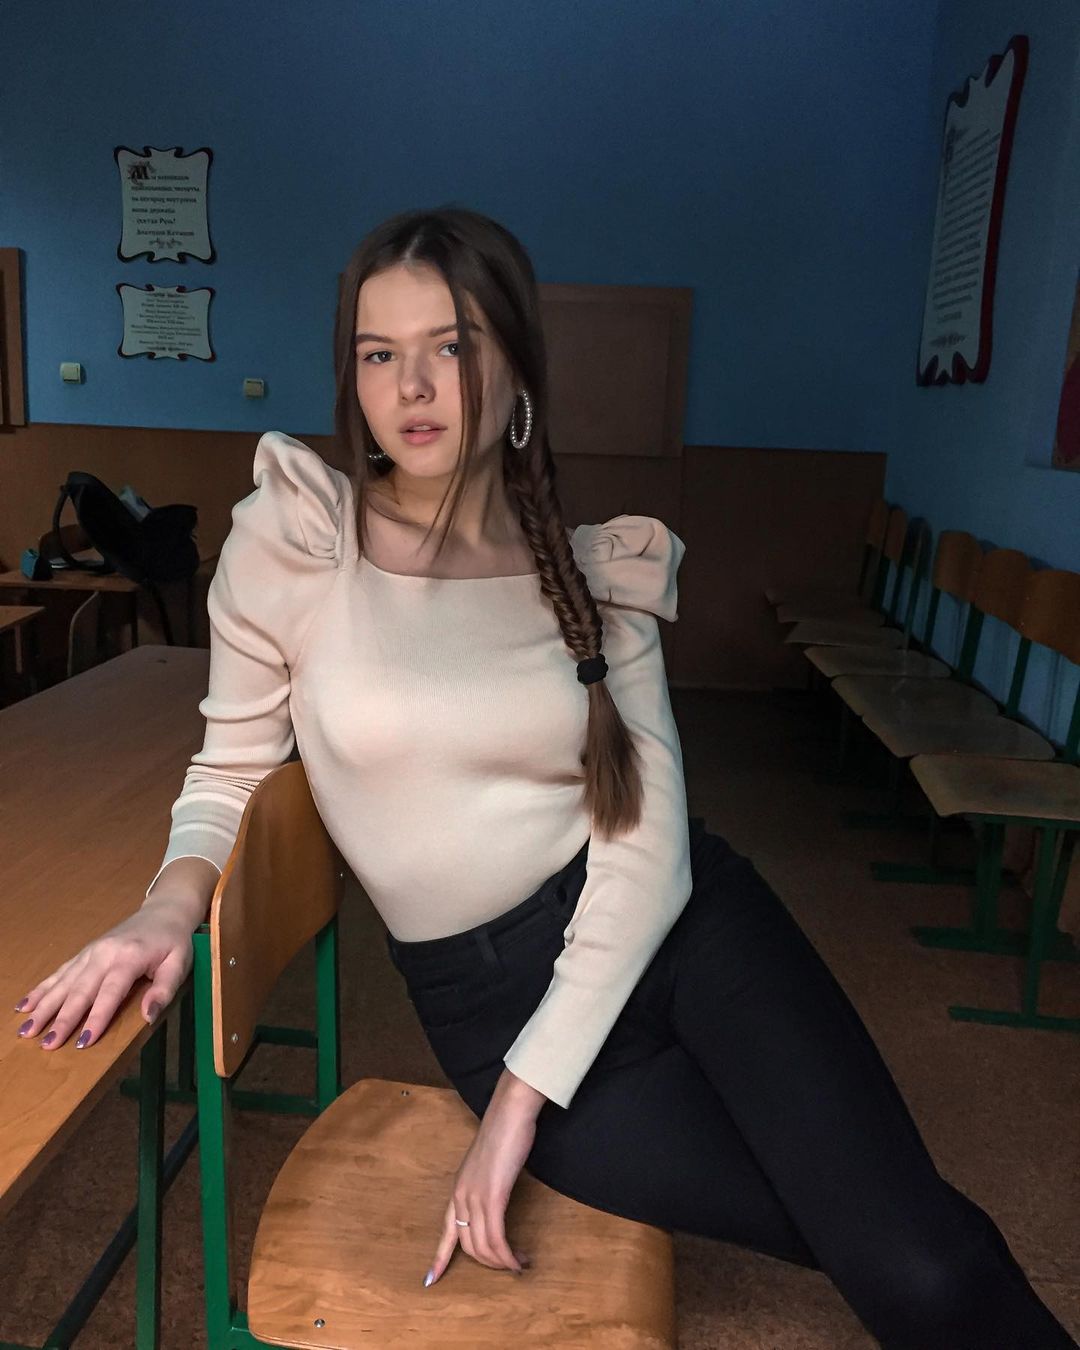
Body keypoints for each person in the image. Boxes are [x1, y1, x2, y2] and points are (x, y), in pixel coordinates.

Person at [14, 206, 1076, 1349]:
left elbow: (648, 848)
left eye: (452, 345)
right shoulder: (302, 543)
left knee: (921, 1259)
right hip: (488, 998)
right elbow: (228, 768)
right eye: (379, 353)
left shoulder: (595, 577)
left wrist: (518, 1104)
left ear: (516, 365)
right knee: (868, 1230)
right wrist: (166, 907)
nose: (412, 386)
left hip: (683, 931)